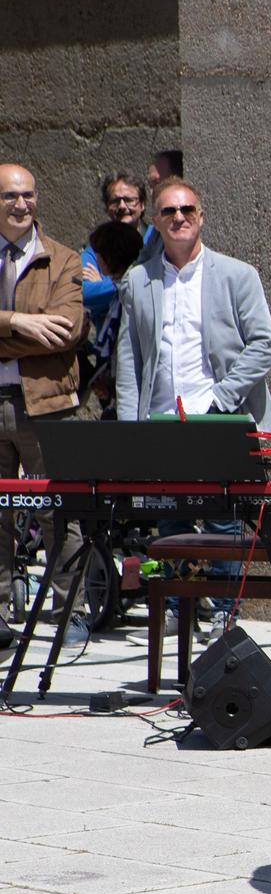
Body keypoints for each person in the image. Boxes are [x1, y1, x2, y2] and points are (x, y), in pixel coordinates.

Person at [113, 176, 271, 633]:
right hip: (163, 421)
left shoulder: (236, 275)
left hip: (225, 420)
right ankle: (176, 605)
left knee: (227, 521)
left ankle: (226, 611)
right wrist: (132, 431)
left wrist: (220, 400)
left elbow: (265, 346)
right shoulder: (138, 280)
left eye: (187, 209)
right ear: (155, 221)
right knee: (172, 518)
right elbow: (129, 361)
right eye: (169, 211)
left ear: (201, 216)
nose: (179, 217)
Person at [0, 163, 89, 650]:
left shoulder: (62, 259)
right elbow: (42, 332)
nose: (21, 204)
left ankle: (70, 609)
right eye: (10, 196)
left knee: (62, 510)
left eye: (29, 195)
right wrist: (19, 321)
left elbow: (67, 331)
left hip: (47, 404)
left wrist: (11, 334)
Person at [80, 172, 148, 346]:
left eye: (129, 200)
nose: (122, 206)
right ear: (106, 207)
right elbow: (84, 293)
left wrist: (106, 282)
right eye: (115, 201)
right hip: (111, 348)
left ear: (142, 205)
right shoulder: (96, 248)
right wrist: (119, 286)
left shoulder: (155, 241)